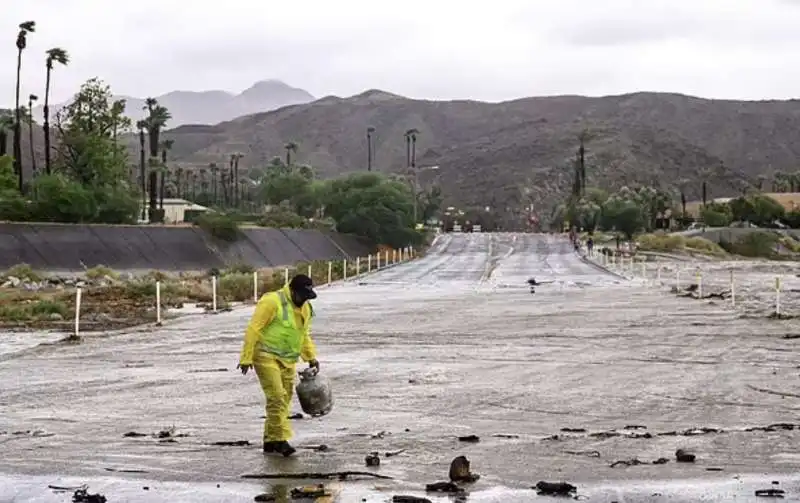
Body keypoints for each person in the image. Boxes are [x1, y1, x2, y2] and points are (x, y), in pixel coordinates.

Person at [237, 274, 320, 457]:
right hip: (265, 356)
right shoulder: (272, 302)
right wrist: (246, 358)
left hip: (288, 359)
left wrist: (311, 357)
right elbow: (253, 329)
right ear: (292, 290)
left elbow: (303, 334)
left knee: (284, 400)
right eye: (302, 296)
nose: (305, 300)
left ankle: (270, 440)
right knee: (276, 396)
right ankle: (280, 439)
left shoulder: (305, 308)